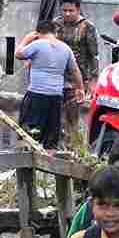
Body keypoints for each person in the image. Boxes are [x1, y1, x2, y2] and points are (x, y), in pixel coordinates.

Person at [16, 20, 83, 150]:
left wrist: (26, 39)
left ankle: (26, 165)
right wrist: (80, 88)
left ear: (38, 33)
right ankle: (48, 166)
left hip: (36, 95)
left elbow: (18, 54)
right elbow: (75, 70)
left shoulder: (38, 44)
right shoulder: (65, 48)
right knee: (51, 136)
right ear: (55, 33)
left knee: (27, 133)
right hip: (56, 97)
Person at [53, 0, 101, 147]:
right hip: (57, 77)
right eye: (64, 10)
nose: (67, 14)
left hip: (78, 80)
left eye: (71, 11)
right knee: (55, 117)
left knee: (73, 117)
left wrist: (93, 81)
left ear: (78, 9)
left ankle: (74, 149)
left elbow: (94, 56)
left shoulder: (87, 27)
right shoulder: (56, 25)